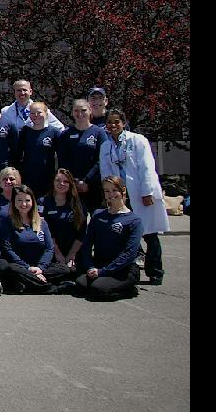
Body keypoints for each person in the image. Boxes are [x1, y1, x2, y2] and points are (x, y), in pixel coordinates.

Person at [99, 109, 168, 285]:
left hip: (140, 193)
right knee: (126, 234)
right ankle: (131, 270)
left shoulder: (137, 140)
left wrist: (147, 191)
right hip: (121, 195)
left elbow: (147, 167)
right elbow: (106, 172)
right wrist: (108, 193)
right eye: (109, 122)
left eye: (116, 122)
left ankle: (155, 272)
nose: (113, 125)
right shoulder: (106, 146)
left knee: (149, 233)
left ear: (123, 122)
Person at [75, 177, 145, 300]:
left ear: (123, 190)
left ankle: (129, 289)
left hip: (123, 269)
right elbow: (86, 245)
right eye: (107, 191)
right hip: (100, 265)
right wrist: (90, 267)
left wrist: (103, 272)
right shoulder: (98, 215)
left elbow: (129, 253)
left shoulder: (134, 220)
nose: (110, 194)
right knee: (81, 284)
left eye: (114, 190)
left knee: (98, 289)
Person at [0, 185, 73, 294]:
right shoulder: (6, 222)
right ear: (13, 202)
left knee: (64, 269)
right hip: (19, 266)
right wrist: (28, 268)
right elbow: (7, 249)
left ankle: (28, 284)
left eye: (27, 200)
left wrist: (40, 268)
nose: (24, 204)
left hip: (39, 266)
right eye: (19, 200)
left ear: (33, 202)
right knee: (9, 268)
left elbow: (49, 248)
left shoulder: (42, 222)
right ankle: (51, 288)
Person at [59, 99, 108, 214]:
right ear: (72, 112)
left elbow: (102, 159)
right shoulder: (66, 134)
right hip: (72, 185)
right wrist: (74, 181)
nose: (80, 114)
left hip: (94, 185)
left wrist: (86, 181)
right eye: (76, 110)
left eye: (83, 110)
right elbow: (63, 159)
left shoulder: (99, 133)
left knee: (97, 218)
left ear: (90, 110)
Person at [41, 168, 88, 272]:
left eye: (65, 181)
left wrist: (72, 255)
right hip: (51, 250)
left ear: (70, 184)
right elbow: (44, 231)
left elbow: (82, 233)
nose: (61, 184)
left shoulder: (78, 204)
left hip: (75, 250)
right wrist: (57, 254)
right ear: (52, 182)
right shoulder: (43, 202)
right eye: (58, 180)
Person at [18, 101, 63, 197]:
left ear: (46, 114)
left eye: (39, 112)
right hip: (28, 178)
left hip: (47, 178)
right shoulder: (25, 132)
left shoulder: (54, 132)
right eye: (32, 113)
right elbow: (17, 154)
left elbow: (62, 156)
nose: (36, 115)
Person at [0, 167, 24, 231]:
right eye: (5, 179)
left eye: (11, 179)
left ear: (17, 181)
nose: (8, 182)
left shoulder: (24, 199)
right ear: (0, 181)